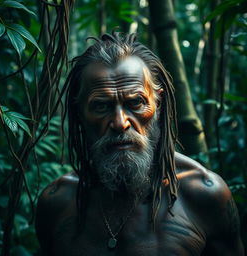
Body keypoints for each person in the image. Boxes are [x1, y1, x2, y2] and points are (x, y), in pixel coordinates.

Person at [35, 32, 244, 256]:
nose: (120, 122)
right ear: (80, 113)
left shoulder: (205, 195)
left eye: (135, 102)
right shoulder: (57, 202)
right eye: (101, 106)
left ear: (158, 103)